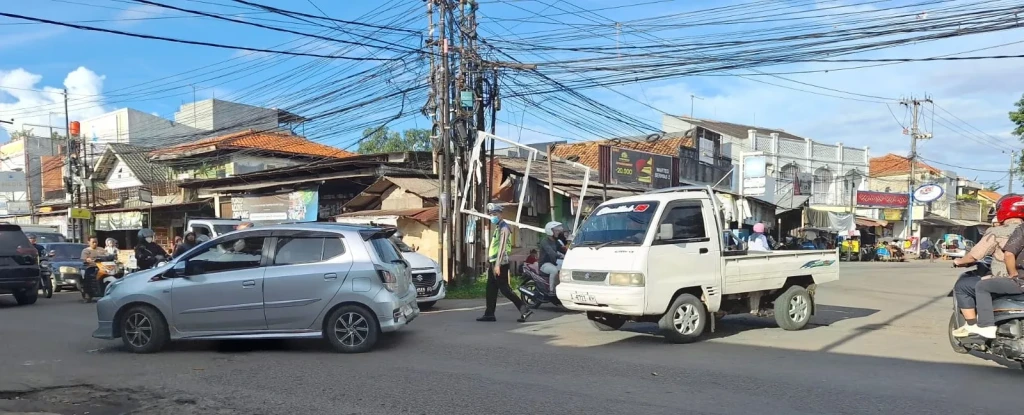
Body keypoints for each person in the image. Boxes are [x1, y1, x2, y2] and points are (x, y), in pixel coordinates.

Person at [951, 194, 1024, 337]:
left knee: (964, 286)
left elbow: (974, 255)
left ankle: (974, 325)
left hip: (1010, 279)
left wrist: (958, 261)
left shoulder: (998, 232)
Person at [477, 202, 532, 323]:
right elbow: (495, 247)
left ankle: (525, 309)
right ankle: (489, 314)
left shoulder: (504, 228)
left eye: (495, 214)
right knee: (491, 289)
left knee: (505, 289)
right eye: (491, 214)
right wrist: (490, 261)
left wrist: (497, 265)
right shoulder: (498, 227)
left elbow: (502, 248)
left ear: (500, 214)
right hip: (495, 262)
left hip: (501, 263)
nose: (492, 216)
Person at [540, 221, 565, 292]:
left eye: (558, 231)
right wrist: (560, 256)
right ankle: (551, 290)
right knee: (554, 270)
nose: (558, 232)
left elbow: (563, 249)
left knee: (564, 270)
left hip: (553, 263)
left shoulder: (556, 242)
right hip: (544, 264)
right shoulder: (545, 241)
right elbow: (551, 252)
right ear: (550, 231)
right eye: (556, 231)